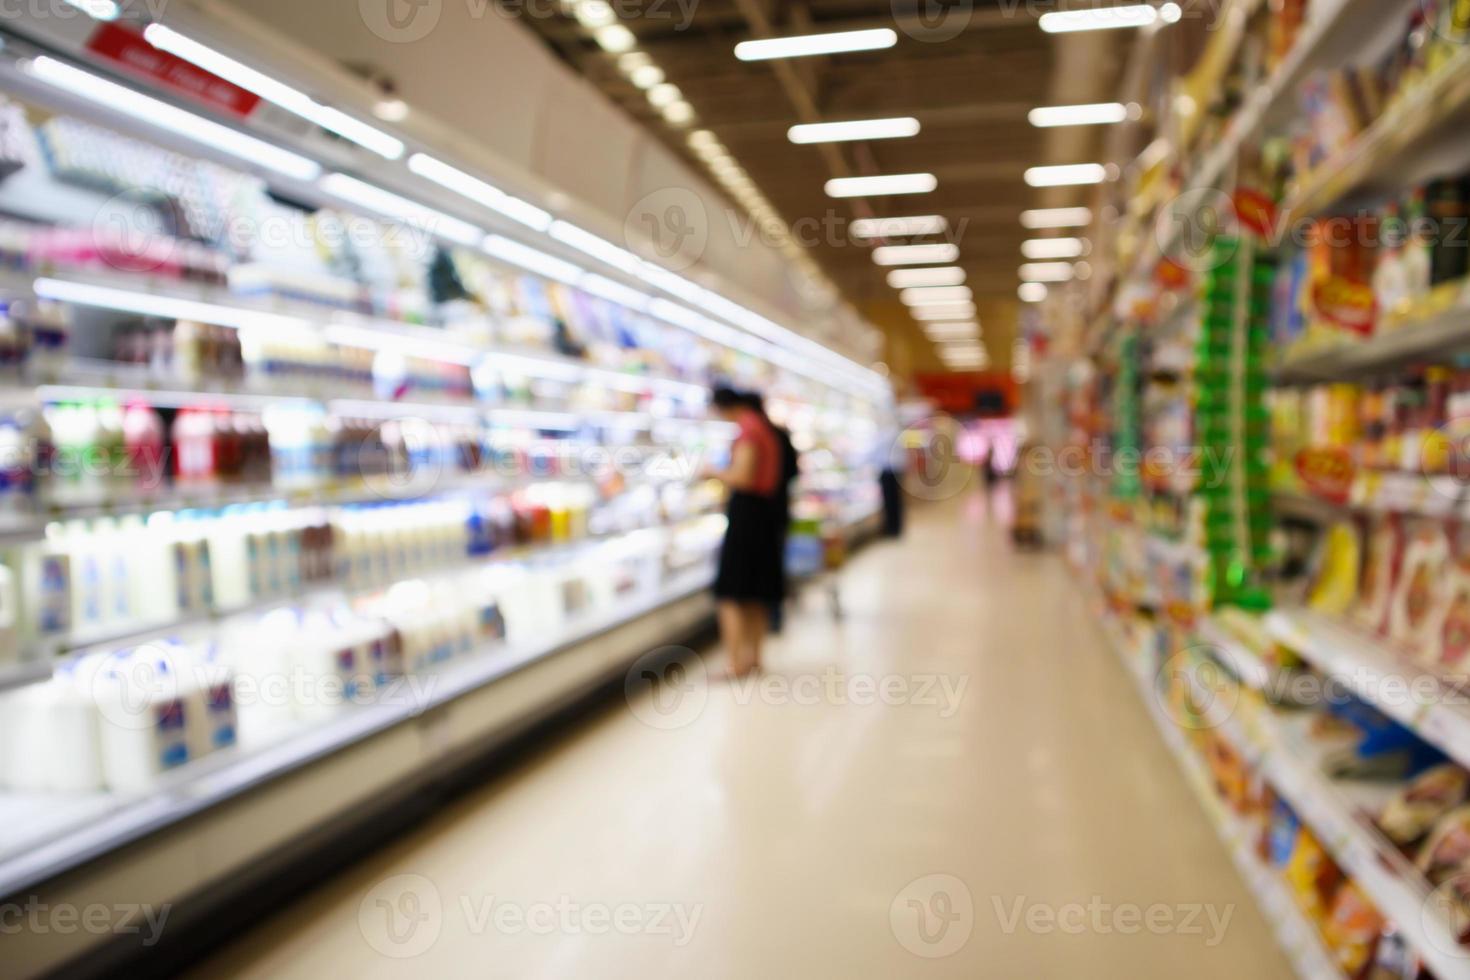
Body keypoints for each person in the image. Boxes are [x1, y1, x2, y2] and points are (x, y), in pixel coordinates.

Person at [706, 386, 784, 678]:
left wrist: (712, 472)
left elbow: (743, 477)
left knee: (731, 592)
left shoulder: (748, 430)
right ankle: (753, 658)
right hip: (764, 514)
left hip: (747, 515)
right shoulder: (764, 427)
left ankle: (734, 663)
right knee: (755, 591)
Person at [737, 392, 799, 633]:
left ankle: (767, 620)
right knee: (771, 565)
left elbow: (744, 477)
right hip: (777, 509)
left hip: (753, 512)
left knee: (755, 572)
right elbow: (793, 472)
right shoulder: (777, 434)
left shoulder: (753, 434)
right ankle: (773, 615)